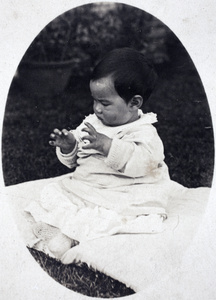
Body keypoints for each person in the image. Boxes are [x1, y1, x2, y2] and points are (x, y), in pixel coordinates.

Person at [26, 48, 173, 259]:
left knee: (108, 217)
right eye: (94, 100)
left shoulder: (144, 132)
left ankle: (69, 237)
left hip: (122, 193)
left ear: (134, 103)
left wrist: (109, 146)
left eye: (104, 103)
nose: (97, 109)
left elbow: (143, 163)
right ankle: (62, 227)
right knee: (57, 194)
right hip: (88, 186)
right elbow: (75, 159)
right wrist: (69, 147)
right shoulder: (93, 123)